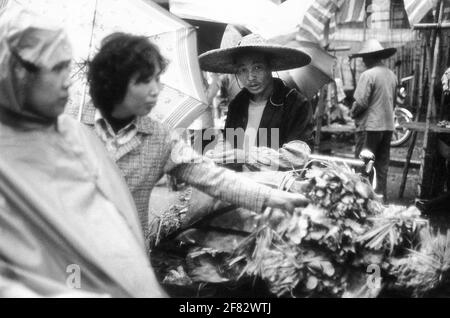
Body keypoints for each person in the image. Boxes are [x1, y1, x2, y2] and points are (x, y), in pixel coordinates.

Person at [77, 32, 309, 248]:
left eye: (158, 80)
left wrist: (271, 196)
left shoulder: (158, 138)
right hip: (75, 251)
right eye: (146, 80)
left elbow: (214, 179)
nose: (157, 90)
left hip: (129, 253)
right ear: (116, 82)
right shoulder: (71, 132)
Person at [0, 7, 166, 297]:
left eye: (68, 67)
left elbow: (113, 225)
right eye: (55, 69)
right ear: (18, 73)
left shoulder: (75, 135)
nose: (67, 81)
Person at [198, 34, 315, 169]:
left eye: (257, 67)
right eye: (243, 70)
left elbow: (299, 157)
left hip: (276, 186)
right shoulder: (237, 104)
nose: (250, 77)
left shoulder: (295, 104)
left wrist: (248, 156)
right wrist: (218, 153)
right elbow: (229, 143)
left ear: (270, 66)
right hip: (240, 184)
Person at [349, 39, 398, 201]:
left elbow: (361, 102)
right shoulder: (391, 75)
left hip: (370, 127)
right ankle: (381, 199)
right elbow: (394, 101)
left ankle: (362, 201)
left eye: (364, 57)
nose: (363, 61)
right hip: (387, 126)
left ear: (371, 57)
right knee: (382, 165)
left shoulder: (368, 75)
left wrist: (352, 113)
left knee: (364, 165)